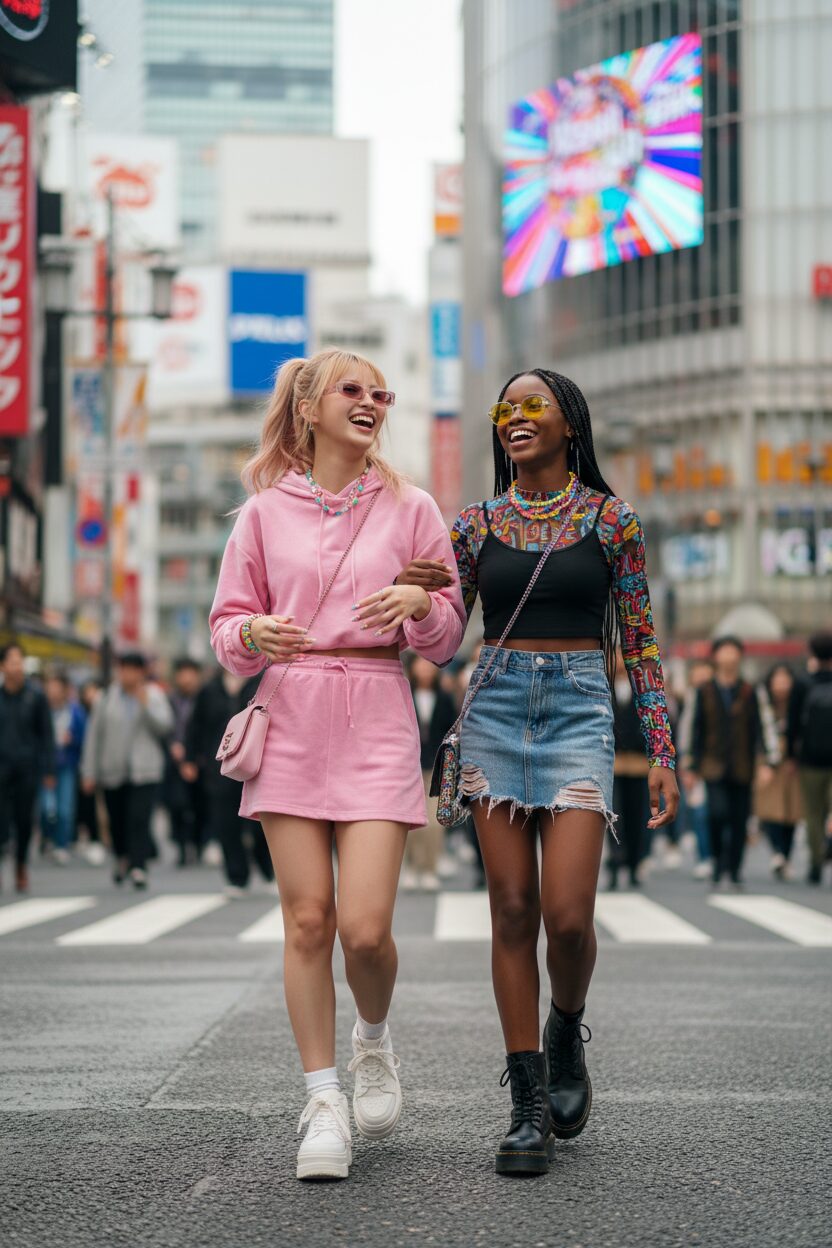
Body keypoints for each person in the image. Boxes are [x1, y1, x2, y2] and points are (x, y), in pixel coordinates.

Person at [399, 368, 678, 1176]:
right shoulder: (476, 523)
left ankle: (566, 1024)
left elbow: (642, 643)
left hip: (582, 711)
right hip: (494, 707)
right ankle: (525, 1104)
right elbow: (446, 634)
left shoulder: (612, 520)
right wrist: (420, 594)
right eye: (507, 409)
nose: (516, 419)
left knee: (567, 917)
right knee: (512, 908)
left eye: (535, 407)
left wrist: (662, 750)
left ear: (570, 426)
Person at [209, 349, 465, 1182]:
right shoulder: (260, 514)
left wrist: (422, 604)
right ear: (310, 407)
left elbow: (449, 632)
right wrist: (252, 634)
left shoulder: (413, 505)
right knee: (308, 920)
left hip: (377, 714)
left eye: (379, 393)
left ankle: (374, 1042)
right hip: (290, 715)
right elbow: (225, 628)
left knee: (365, 929)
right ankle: (322, 1101)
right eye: (351, 391)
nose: (370, 403)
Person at [689, 636, 778, 888]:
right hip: (712, 765)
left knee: (740, 819)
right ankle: (718, 862)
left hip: (743, 766)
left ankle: (735, 869)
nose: (729, 656)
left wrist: (767, 762)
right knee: (716, 814)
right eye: (724, 651)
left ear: (740, 656)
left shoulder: (751, 690)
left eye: (733, 652)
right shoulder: (704, 691)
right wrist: (690, 765)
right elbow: (694, 728)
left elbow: (763, 727)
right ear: (716, 656)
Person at [81, 653, 174, 889]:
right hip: (112, 770)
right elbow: (94, 736)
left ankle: (138, 866)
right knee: (117, 820)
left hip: (145, 771)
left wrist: (145, 705)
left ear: (142, 672)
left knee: (139, 819)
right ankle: (122, 857)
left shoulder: (153, 695)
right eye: (124, 669)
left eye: (134, 669)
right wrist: (88, 771)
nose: (129, 674)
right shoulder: (105, 698)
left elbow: (165, 727)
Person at [183, 667, 274, 895]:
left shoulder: (264, 680)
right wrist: (190, 758)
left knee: (262, 824)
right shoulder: (209, 689)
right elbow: (195, 726)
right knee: (225, 823)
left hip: (258, 764)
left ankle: (268, 870)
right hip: (220, 767)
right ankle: (236, 877)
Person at [0, 642, 56, 893]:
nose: (16, 666)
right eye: (12, 661)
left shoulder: (36, 697)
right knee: (1, 822)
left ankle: (21, 864)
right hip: (1, 769)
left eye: (20, 660)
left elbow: (46, 734)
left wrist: (49, 769)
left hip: (27, 769)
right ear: (2, 666)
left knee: (24, 821)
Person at [402, 655, 458, 890]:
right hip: (409, 767)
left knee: (435, 823)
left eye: (430, 664)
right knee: (412, 823)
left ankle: (429, 868)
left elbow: (452, 731)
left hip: (437, 769)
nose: (425, 669)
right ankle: (413, 867)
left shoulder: (444, 698)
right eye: (421, 664)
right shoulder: (405, 695)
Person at [788, 631, 832, 884]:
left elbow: (793, 724)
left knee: (813, 813)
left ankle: (816, 862)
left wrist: (791, 757)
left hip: (810, 758)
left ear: (812, 654)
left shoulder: (803, 683)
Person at [606, 652, 650, 890]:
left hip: (638, 764)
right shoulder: (603, 682)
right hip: (612, 763)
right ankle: (614, 864)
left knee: (636, 816)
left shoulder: (642, 687)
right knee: (614, 817)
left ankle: (634, 865)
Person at [755, 664, 802, 880]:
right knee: (770, 808)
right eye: (778, 679)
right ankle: (777, 851)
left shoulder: (798, 703)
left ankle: (786, 855)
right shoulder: (763, 704)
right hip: (768, 761)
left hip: (793, 762)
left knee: (791, 810)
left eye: (786, 679)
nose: (782, 684)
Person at [39, 672, 87, 865]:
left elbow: (84, 739)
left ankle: (61, 844)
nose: (53, 692)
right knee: (46, 809)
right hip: (43, 766)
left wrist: (72, 740)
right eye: (50, 687)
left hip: (66, 765)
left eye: (57, 688)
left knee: (64, 809)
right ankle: (47, 837)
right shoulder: (40, 709)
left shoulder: (74, 712)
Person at [676, 659, 714, 879]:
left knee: (718, 812)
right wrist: (688, 765)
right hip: (698, 764)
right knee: (700, 812)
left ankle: (718, 855)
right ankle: (704, 856)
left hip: (722, 765)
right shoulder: (692, 700)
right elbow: (686, 734)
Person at [164, 658, 203, 866]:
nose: (186, 678)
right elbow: (164, 726)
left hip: (199, 760)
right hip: (174, 760)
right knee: (176, 805)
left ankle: (197, 844)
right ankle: (181, 846)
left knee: (198, 804)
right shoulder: (169, 699)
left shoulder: (204, 698)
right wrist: (173, 745)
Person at [75, 679, 106, 865]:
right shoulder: (79, 713)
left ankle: (104, 840)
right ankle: (95, 839)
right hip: (86, 765)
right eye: (88, 692)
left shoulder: (104, 710)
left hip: (108, 766)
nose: (91, 696)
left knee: (104, 807)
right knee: (90, 806)